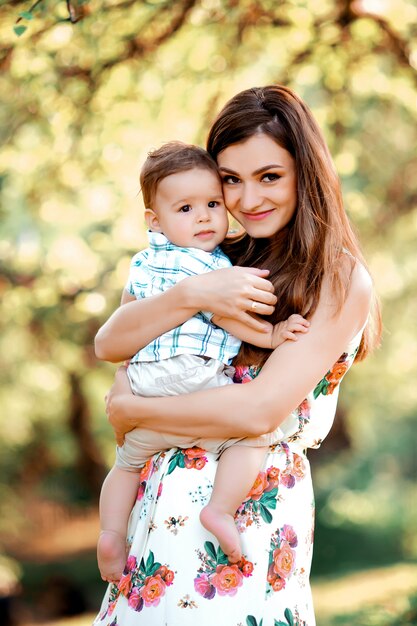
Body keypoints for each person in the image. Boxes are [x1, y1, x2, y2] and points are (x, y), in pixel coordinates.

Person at [93, 85, 381, 626]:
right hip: (156, 512)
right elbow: (113, 345)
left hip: (246, 518)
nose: (247, 200)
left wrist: (135, 413)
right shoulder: (200, 258)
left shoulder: (337, 277)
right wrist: (193, 294)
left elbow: (256, 412)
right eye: (230, 180)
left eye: (269, 176)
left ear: (305, 173)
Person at [97, 141, 310, 583]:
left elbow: (122, 327)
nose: (205, 216)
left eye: (213, 203)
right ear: (155, 220)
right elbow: (227, 317)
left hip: (143, 385)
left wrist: (131, 403)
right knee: (252, 438)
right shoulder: (209, 268)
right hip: (193, 379)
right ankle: (220, 509)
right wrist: (272, 333)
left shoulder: (145, 263)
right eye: (187, 208)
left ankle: (110, 533)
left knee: (125, 464)